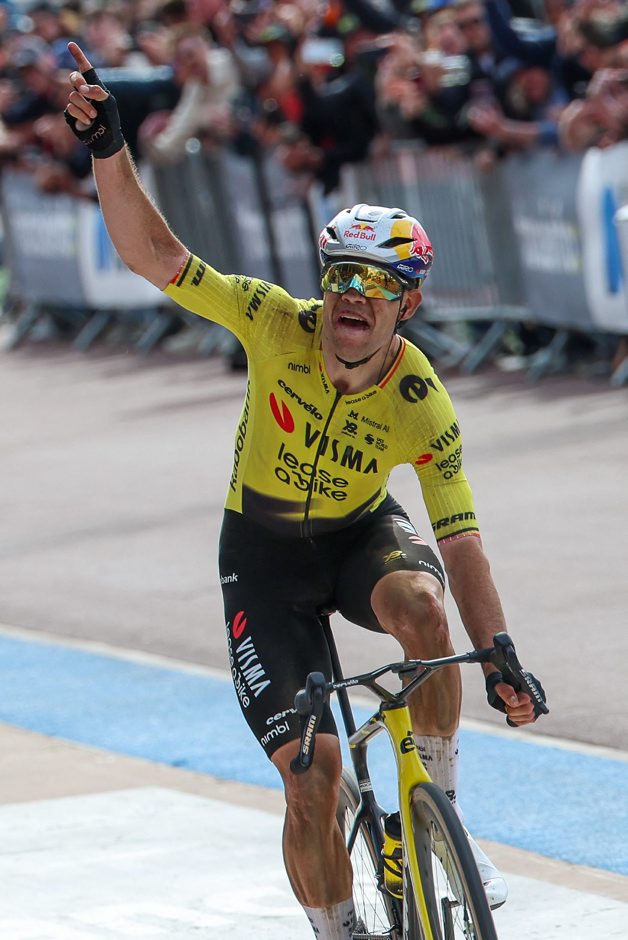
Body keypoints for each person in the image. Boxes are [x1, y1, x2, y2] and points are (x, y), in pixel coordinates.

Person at [63, 40, 546, 940]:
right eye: (340, 277)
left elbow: (461, 541)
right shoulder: (274, 322)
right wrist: (107, 148)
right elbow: (154, 255)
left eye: (377, 283)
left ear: (408, 303)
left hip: (359, 537)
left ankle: (440, 822)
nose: (352, 298)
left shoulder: (421, 400)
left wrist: (499, 654)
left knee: (423, 607)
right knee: (311, 779)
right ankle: (337, 931)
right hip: (264, 560)